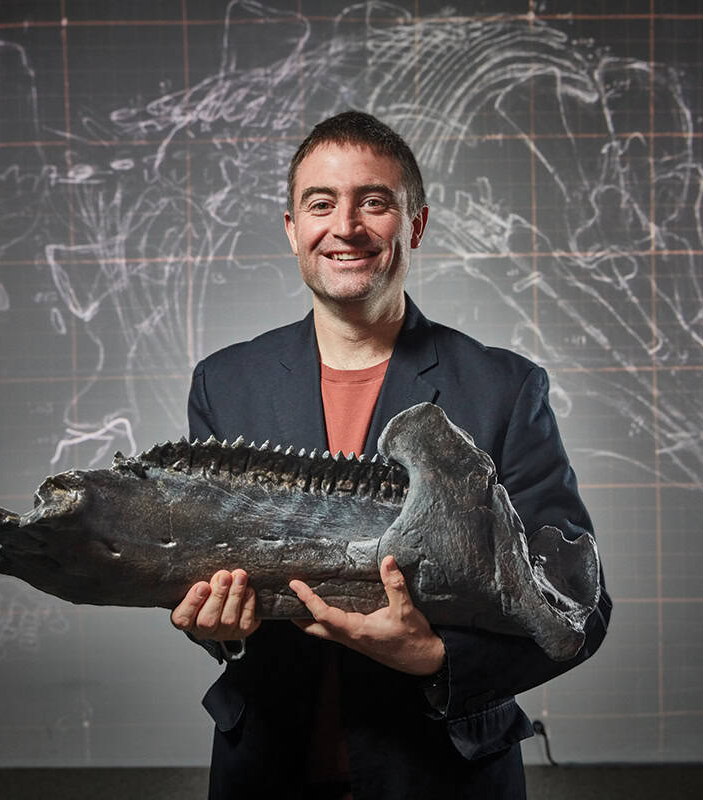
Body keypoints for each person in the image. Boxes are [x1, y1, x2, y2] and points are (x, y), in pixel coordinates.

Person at [170, 110, 611, 799]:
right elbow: (207, 573)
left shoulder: (502, 389)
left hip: (444, 773)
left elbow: (579, 604)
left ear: (416, 225)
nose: (344, 227)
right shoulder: (225, 385)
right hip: (268, 771)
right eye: (321, 204)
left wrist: (437, 657)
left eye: (373, 202)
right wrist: (219, 631)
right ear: (292, 229)